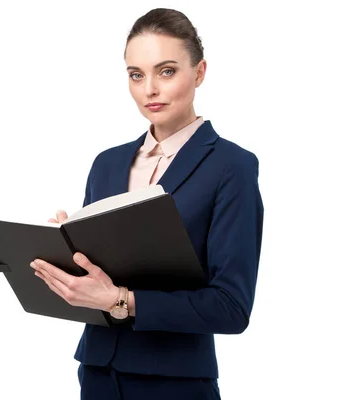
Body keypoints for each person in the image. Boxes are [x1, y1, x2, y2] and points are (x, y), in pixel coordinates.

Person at [28, 8, 264, 400]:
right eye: (136, 75)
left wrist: (123, 301)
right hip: (98, 373)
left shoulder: (231, 167)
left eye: (166, 71)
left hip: (176, 382)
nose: (149, 89)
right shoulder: (107, 164)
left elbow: (231, 307)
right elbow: (98, 284)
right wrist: (65, 254)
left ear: (200, 72)